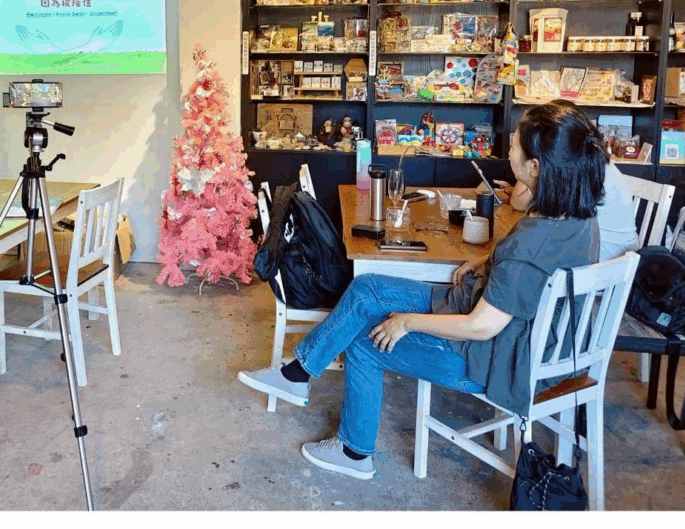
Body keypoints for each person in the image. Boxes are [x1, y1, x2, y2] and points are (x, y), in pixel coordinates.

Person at [238, 100, 606, 481]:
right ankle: (297, 374)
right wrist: (486, 262)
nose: (509, 148)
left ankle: (354, 451)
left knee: (365, 342)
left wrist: (407, 322)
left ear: (537, 167)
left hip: (492, 357)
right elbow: (524, 268)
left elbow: (481, 327)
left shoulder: (530, 247)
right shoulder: (577, 217)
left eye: (515, 144)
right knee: (367, 288)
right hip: (504, 329)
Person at [505, 100, 637, 260]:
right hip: (605, 250)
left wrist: (532, 157)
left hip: (600, 260)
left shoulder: (569, 166)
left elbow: (520, 203)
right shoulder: (586, 157)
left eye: (513, 146)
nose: (509, 153)